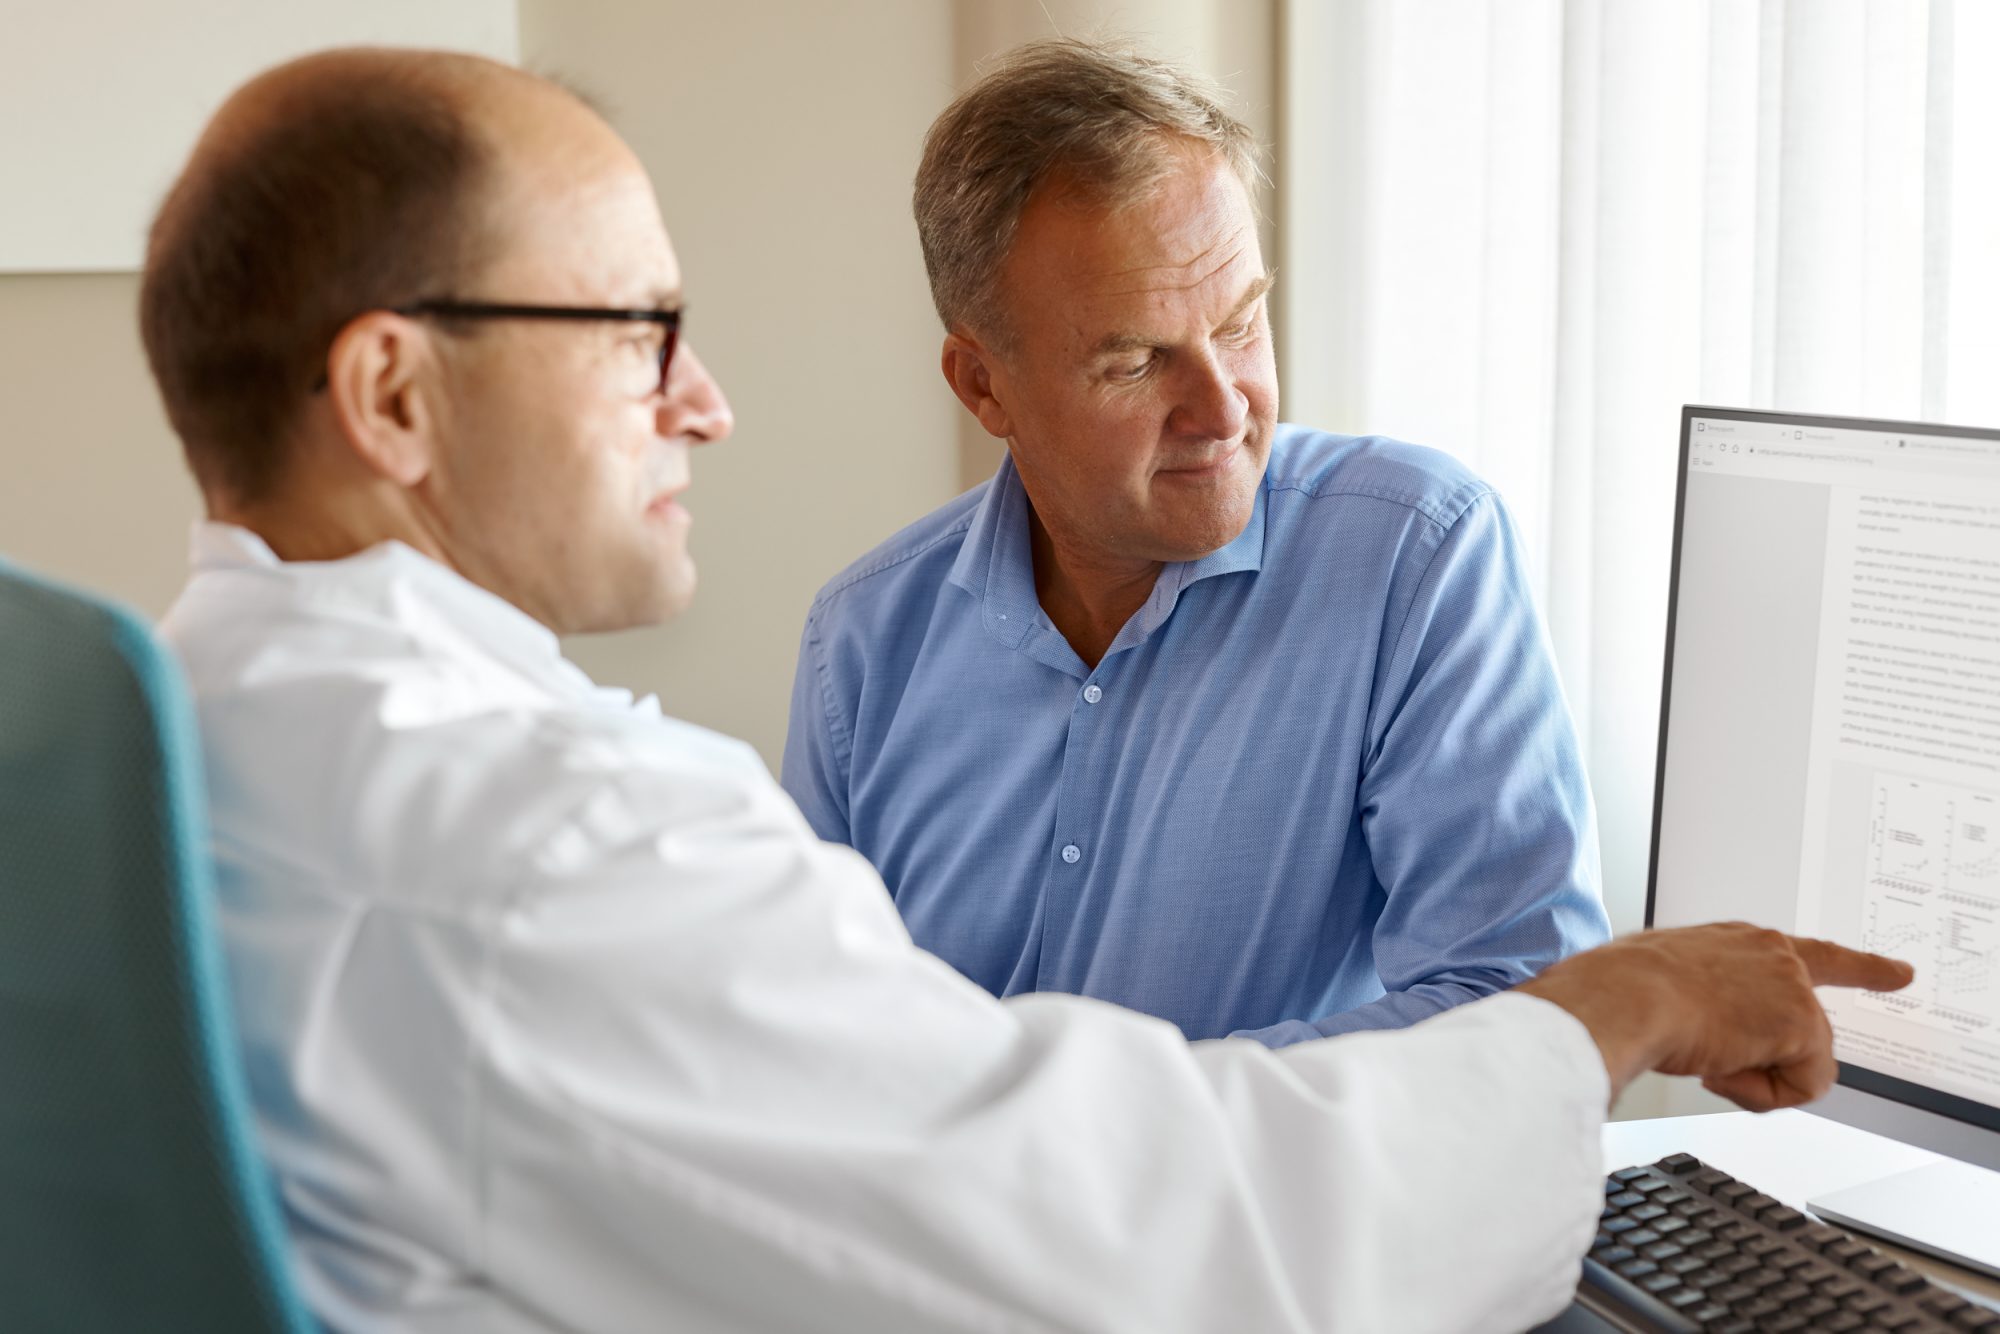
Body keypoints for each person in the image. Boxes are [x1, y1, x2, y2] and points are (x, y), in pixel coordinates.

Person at [144, 45, 1910, 1334]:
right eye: (635, 334)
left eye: (1242, 320)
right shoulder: (541, 842)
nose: (705, 403)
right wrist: (1617, 1008)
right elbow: (1120, 1237)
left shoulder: (192, 734)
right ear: (394, 397)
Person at [782, 40, 1608, 1046]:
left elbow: (1519, 1008)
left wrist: (1097, 1115)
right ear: (982, 385)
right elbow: (810, 1037)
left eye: (1241, 323)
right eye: (1135, 362)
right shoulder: (863, 640)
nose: (1223, 410)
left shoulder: (1415, 558)